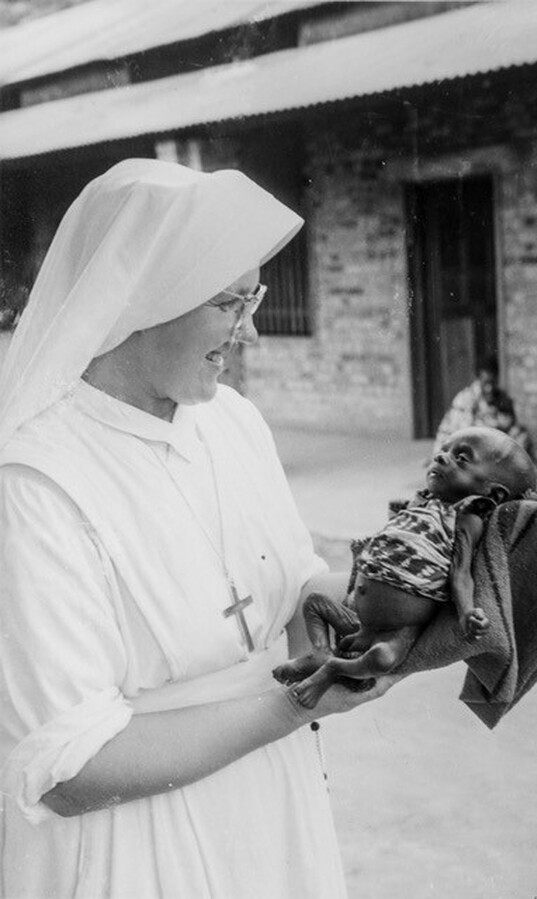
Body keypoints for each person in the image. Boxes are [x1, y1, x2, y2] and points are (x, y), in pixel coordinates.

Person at [0, 159, 398, 899]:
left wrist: (409, 587)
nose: (248, 329)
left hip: (269, 809)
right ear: (143, 300)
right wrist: (291, 704)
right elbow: (72, 769)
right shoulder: (35, 483)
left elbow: (294, 590)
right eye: (229, 303)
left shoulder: (235, 421)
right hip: (136, 845)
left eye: (256, 298)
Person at [274, 426, 537, 708]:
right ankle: (321, 653)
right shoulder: (420, 505)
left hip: (397, 631)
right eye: (443, 450)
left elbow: (461, 575)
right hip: (360, 625)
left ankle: (332, 669)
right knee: (315, 604)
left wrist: (466, 614)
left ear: (493, 494)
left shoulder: (465, 518)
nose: (441, 458)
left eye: (461, 458)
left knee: (383, 659)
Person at [433, 357, 535, 459]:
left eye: (493, 382)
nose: (489, 388)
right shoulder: (465, 399)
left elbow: (513, 427)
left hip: (489, 446)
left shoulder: (502, 398)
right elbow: (465, 434)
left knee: (522, 437)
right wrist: (496, 426)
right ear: (478, 379)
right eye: (485, 383)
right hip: (456, 449)